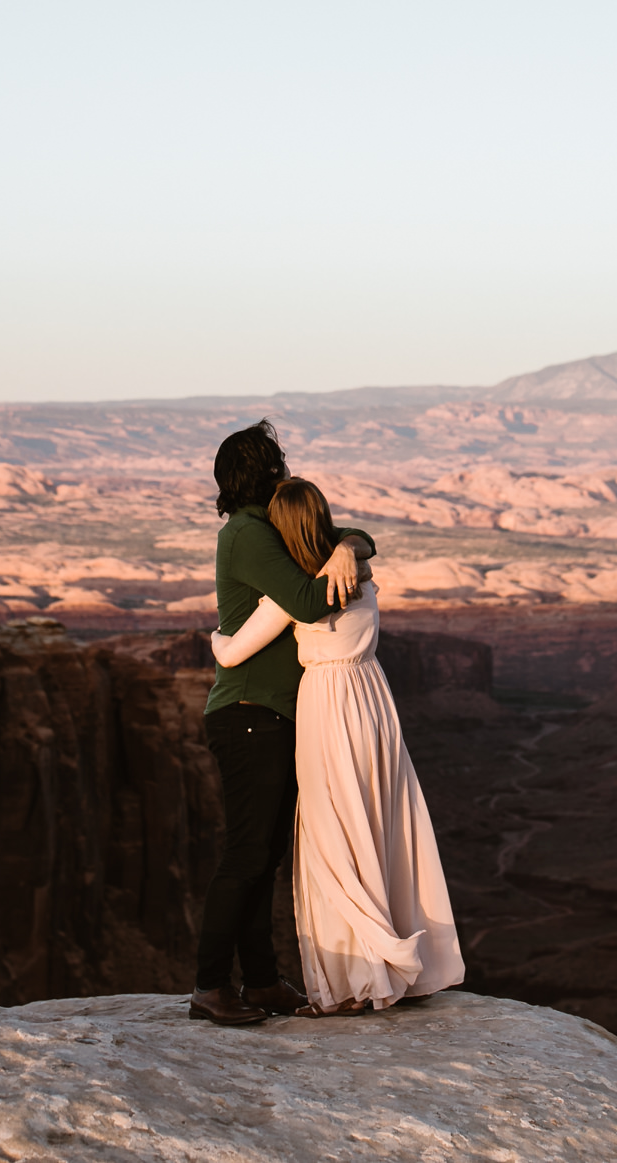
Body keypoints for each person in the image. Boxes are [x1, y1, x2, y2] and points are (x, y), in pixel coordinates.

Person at [211, 477, 465, 1015]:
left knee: (332, 841)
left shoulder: (297, 592)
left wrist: (214, 638)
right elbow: (359, 542)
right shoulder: (360, 575)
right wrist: (350, 545)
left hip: (328, 709)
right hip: (372, 701)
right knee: (376, 824)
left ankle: (358, 978)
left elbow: (232, 655)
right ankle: (387, 965)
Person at [190, 422, 375, 1027]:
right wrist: (342, 558)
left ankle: (262, 981)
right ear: (264, 474)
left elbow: (337, 536)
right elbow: (306, 599)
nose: (285, 474)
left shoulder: (264, 527)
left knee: (263, 856)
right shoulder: (246, 534)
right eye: (278, 465)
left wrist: (350, 545)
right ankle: (211, 987)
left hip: (270, 717)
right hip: (249, 715)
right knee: (245, 856)